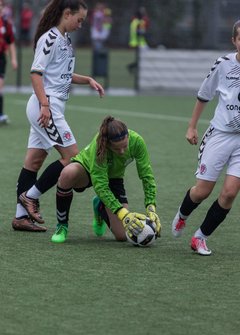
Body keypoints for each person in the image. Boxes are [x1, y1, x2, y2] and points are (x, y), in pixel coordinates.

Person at [12, 0, 104, 232]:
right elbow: (35, 73)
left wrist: (88, 80)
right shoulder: (50, 38)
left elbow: (62, 74)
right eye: (79, 19)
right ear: (66, 14)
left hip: (50, 106)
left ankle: (21, 217)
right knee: (72, 157)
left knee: (34, 161)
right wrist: (45, 105)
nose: (81, 24)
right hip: (47, 107)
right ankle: (30, 197)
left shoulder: (65, 39)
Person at [172, 19, 240, 256]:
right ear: (234, 41)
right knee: (202, 191)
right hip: (220, 135)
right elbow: (204, 95)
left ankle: (200, 237)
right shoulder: (223, 65)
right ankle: (182, 215)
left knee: (230, 192)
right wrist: (192, 127)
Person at [50, 116, 161, 243]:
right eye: (116, 149)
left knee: (123, 236)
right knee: (67, 174)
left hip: (113, 177)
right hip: (86, 170)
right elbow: (101, 186)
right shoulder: (99, 146)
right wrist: (123, 214)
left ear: (128, 137)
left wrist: (151, 206)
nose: (122, 151)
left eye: (125, 146)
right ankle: (62, 226)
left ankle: (100, 207)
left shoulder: (137, 141)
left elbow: (146, 175)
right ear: (107, 144)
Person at [0, 0, 17, 124]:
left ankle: (0, 114)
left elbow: (11, 43)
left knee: (0, 84)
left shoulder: (6, 24)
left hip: (1, 58)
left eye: (1, 5)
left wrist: (14, 59)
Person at [127, 7, 149, 74]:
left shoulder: (134, 21)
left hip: (135, 42)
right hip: (140, 43)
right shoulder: (140, 22)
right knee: (146, 57)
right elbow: (139, 32)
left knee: (141, 58)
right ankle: (132, 67)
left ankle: (132, 67)